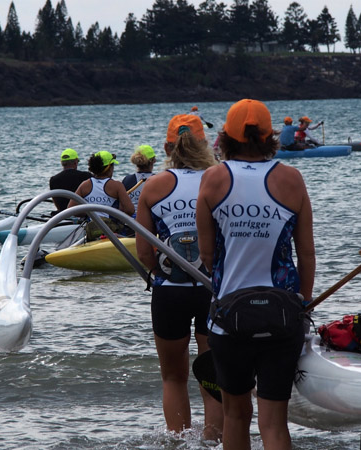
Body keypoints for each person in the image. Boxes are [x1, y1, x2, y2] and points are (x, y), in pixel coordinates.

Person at [196, 99, 315, 450]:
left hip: (229, 318)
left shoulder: (213, 177)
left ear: (226, 136)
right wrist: (303, 304)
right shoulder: (291, 178)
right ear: (269, 135)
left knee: (235, 416)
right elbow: (306, 254)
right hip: (283, 316)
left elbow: (207, 255)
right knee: (274, 423)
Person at [135, 114, 223, 441]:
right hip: (213, 288)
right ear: (205, 144)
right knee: (212, 373)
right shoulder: (220, 180)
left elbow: (144, 251)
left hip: (170, 291)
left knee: (173, 377)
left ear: (166, 147)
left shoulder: (154, 185)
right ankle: (213, 440)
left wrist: (160, 275)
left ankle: (178, 441)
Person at [67, 151, 134, 240]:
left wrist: (89, 211)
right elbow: (130, 210)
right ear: (109, 168)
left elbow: (71, 209)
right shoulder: (117, 185)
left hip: (92, 231)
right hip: (112, 232)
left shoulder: (84, 185)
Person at [122, 144, 157, 214]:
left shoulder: (127, 180)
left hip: (129, 219)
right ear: (153, 161)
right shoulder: (158, 180)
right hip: (150, 218)